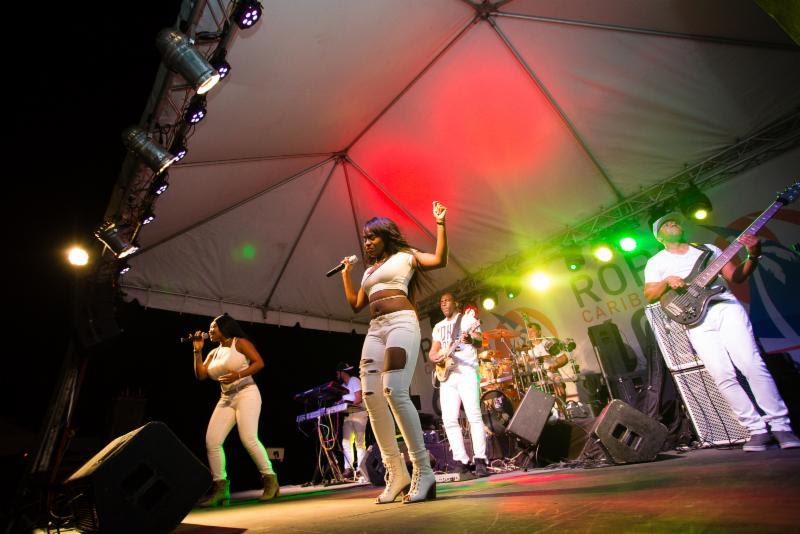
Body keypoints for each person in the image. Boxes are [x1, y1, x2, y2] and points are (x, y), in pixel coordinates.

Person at [644, 212, 800, 452]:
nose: (672, 223)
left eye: (675, 220)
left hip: (724, 307)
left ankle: (781, 426)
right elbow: (649, 294)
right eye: (665, 223)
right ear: (659, 236)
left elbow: (736, 277)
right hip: (695, 320)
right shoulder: (656, 262)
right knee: (722, 374)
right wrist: (666, 282)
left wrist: (753, 255)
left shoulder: (707, 250)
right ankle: (755, 429)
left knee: (750, 363)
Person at [339, 201, 448, 504]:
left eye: (372, 237)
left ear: (386, 235)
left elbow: (439, 259)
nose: (367, 243)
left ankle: (424, 472)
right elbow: (356, 304)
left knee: (394, 390)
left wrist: (440, 224)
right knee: (372, 399)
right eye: (364, 238)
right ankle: (395, 471)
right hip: (375, 329)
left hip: (401, 322)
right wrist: (347, 274)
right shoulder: (369, 271)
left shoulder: (405, 256)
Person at [192, 313, 279, 506]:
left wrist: (238, 375)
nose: (209, 331)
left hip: (247, 392)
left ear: (224, 327)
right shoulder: (213, 353)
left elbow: (259, 363)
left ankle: (270, 479)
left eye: (212, 327)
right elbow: (201, 375)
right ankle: (221, 489)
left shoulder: (239, 343)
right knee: (212, 441)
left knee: (248, 438)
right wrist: (197, 351)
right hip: (226, 398)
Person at [429, 293, 489, 478]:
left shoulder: (468, 319)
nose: (444, 303)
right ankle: (461, 461)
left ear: (456, 303)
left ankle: (480, 459)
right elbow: (433, 350)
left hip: (467, 373)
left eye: (447, 300)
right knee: (449, 419)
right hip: (447, 376)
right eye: (441, 301)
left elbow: (479, 341)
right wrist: (435, 357)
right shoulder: (438, 327)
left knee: (473, 416)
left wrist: (471, 340)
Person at [335, 361, 369, 479]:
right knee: (346, 442)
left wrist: (346, 406)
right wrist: (339, 404)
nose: (336, 375)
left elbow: (359, 398)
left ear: (342, 373)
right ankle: (348, 468)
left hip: (359, 413)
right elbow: (347, 399)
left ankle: (360, 468)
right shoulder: (343, 387)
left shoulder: (354, 380)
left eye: (337, 373)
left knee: (359, 442)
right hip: (349, 415)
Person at [524, 322, 569, 401]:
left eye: (532, 331)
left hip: (551, 375)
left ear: (539, 332)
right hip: (536, 379)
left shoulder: (548, 343)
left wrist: (555, 366)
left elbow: (564, 358)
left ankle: (563, 410)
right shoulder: (527, 349)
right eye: (529, 332)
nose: (530, 334)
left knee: (558, 388)